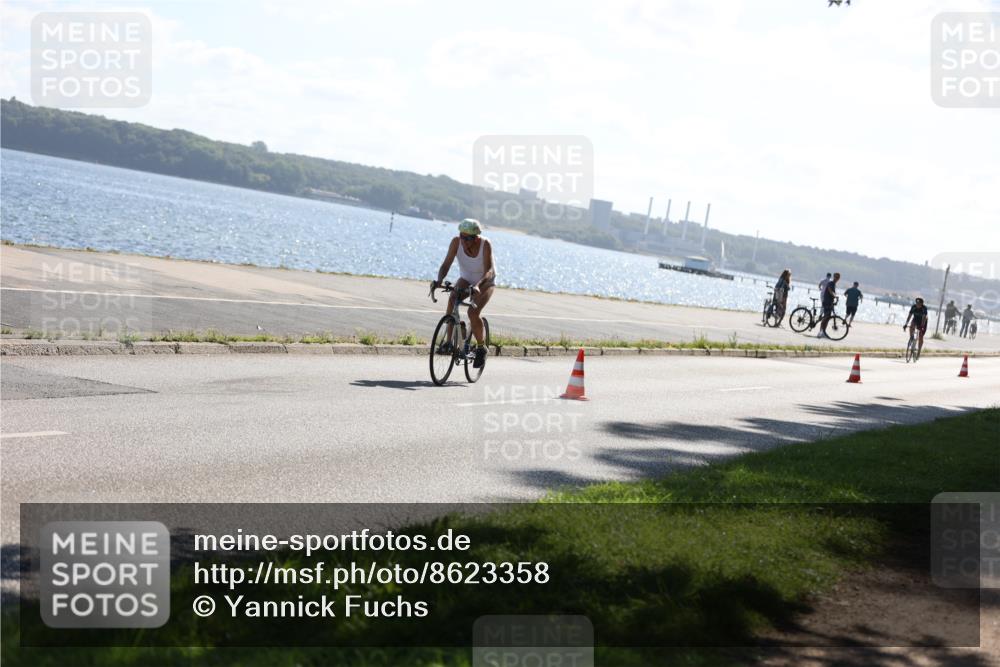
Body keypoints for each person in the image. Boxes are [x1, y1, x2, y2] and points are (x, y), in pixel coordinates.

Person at [432, 218, 496, 368]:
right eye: (462, 236)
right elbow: (446, 264)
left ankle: (481, 348)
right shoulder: (456, 242)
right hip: (466, 278)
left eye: (469, 238)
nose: (464, 240)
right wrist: (439, 280)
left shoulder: (485, 244)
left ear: (476, 237)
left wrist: (478, 285)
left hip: (485, 281)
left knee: (473, 312)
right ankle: (449, 343)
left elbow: (489, 270)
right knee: (452, 298)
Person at [818, 272, 840, 338]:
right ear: (834, 277)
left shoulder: (834, 284)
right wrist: (835, 296)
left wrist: (835, 297)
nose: (837, 278)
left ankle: (823, 332)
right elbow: (830, 291)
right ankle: (820, 332)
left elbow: (832, 292)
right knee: (825, 317)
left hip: (830, 302)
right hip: (827, 302)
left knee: (827, 318)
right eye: (836, 277)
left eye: (838, 277)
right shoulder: (831, 283)